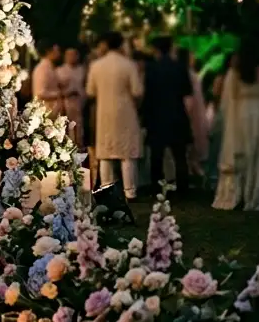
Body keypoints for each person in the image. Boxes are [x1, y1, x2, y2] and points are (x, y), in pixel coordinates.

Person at [213, 45, 259, 211]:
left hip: (240, 115)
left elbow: (228, 102)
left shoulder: (235, 74)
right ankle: (257, 194)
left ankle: (239, 193)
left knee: (243, 154)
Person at [86, 31, 144, 200]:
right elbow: (137, 90)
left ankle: (106, 189)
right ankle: (130, 191)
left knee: (105, 152)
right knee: (127, 153)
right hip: (126, 111)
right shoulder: (128, 65)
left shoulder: (96, 66)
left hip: (104, 112)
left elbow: (90, 91)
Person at [143, 36, 192, 194]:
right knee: (179, 155)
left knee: (157, 155)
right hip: (176, 113)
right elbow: (187, 90)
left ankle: (157, 187)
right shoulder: (179, 66)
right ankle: (183, 187)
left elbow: (147, 94)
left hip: (156, 115)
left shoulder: (151, 68)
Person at [181, 50, 210, 179]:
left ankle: (193, 166)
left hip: (194, 110)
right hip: (192, 111)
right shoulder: (189, 75)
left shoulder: (190, 74)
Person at [55, 46, 87, 147]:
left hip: (80, 105)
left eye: (74, 54)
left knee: (79, 130)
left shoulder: (82, 70)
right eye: (69, 55)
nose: (72, 57)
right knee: (68, 129)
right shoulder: (59, 71)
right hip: (65, 105)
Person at [32, 41, 63, 119]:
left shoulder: (50, 67)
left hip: (52, 111)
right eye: (56, 50)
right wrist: (59, 94)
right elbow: (40, 93)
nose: (59, 53)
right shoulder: (42, 68)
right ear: (48, 51)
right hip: (45, 112)